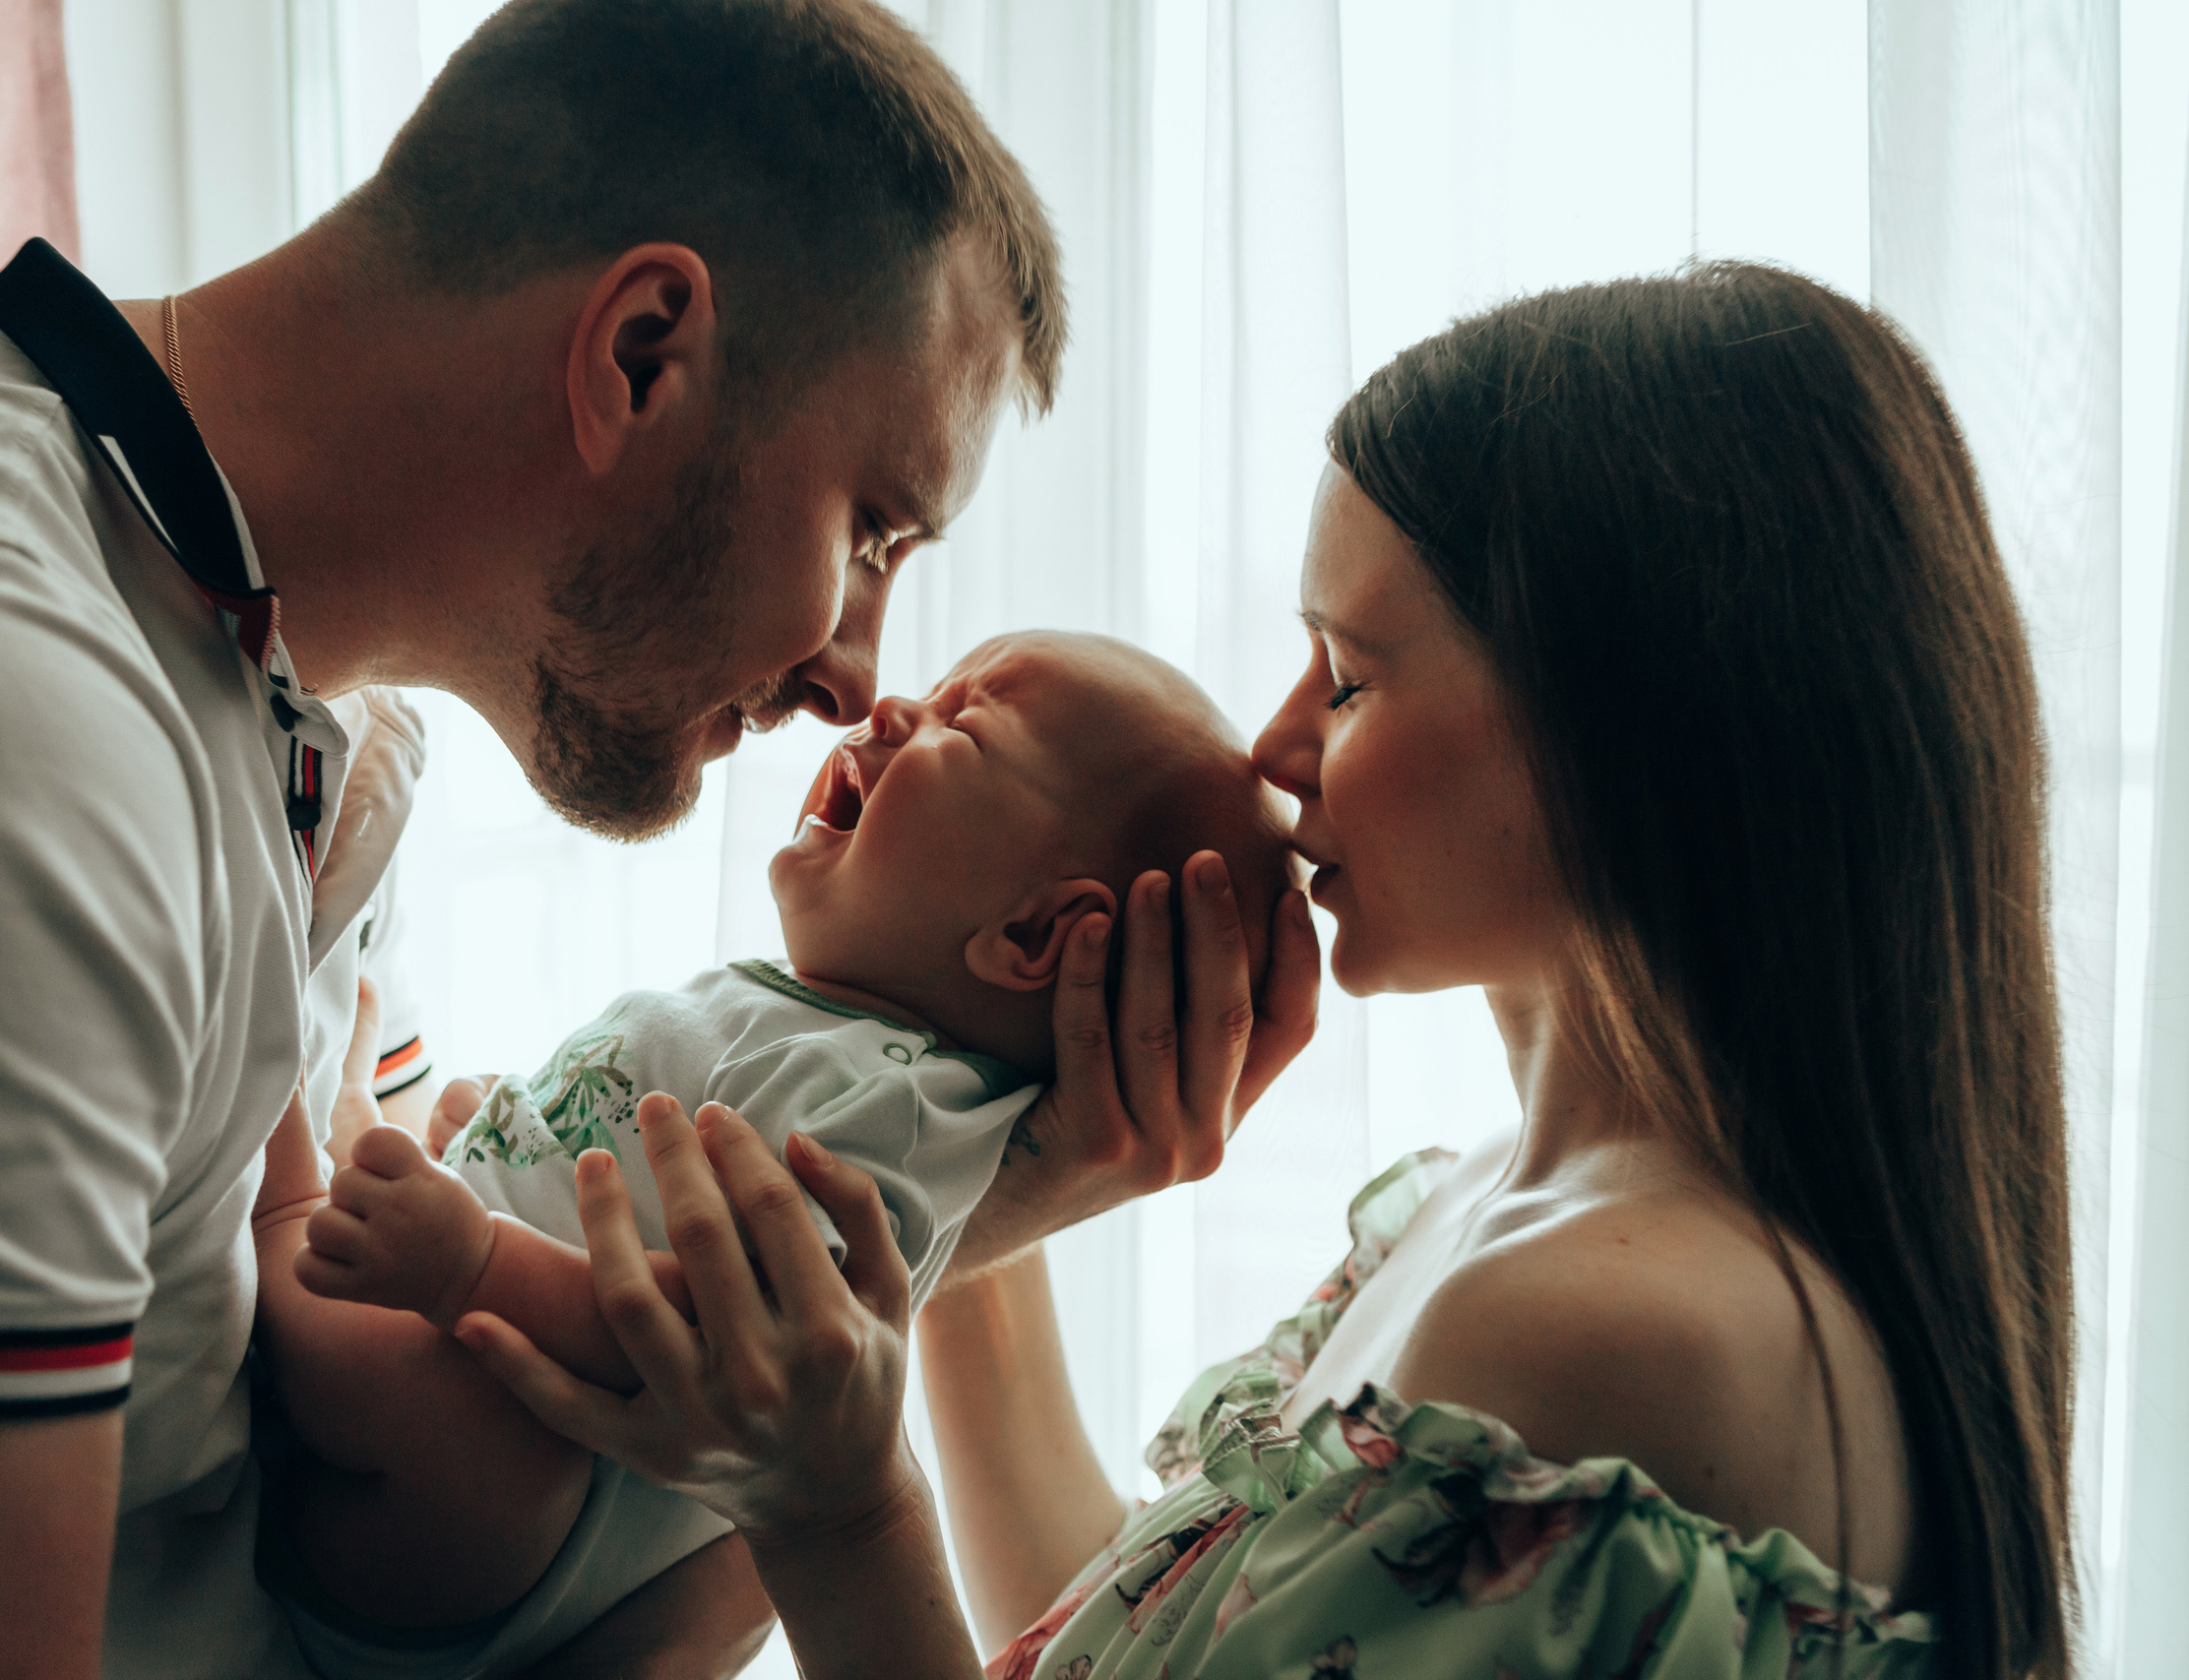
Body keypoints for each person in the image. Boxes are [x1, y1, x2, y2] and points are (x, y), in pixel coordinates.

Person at [0, 2, 1273, 1674]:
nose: (855, 676)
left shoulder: (300, 718)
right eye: (871, 528)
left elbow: (456, 1436)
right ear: (642, 351)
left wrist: (990, 1190)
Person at [451, 265, 2078, 1680]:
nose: (1281, 750)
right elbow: (1113, 1635)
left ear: (1630, 733)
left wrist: (833, 1503)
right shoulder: (1477, 1202)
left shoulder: (1618, 1338)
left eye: (1351, 677)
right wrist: (992, 1167)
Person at [239, 631, 1295, 1674]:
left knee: (481, 1426)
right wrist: (511, 1131)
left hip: (473, 1549)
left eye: (962, 728)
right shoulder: (820, 1029)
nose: (887, 707)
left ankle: (281, 1205)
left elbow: (720, 1349)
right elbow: (626, 1141)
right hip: (465, 1468)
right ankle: (339, 1133)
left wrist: (475, 1259)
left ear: (1029, 940)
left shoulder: (888, 1112)